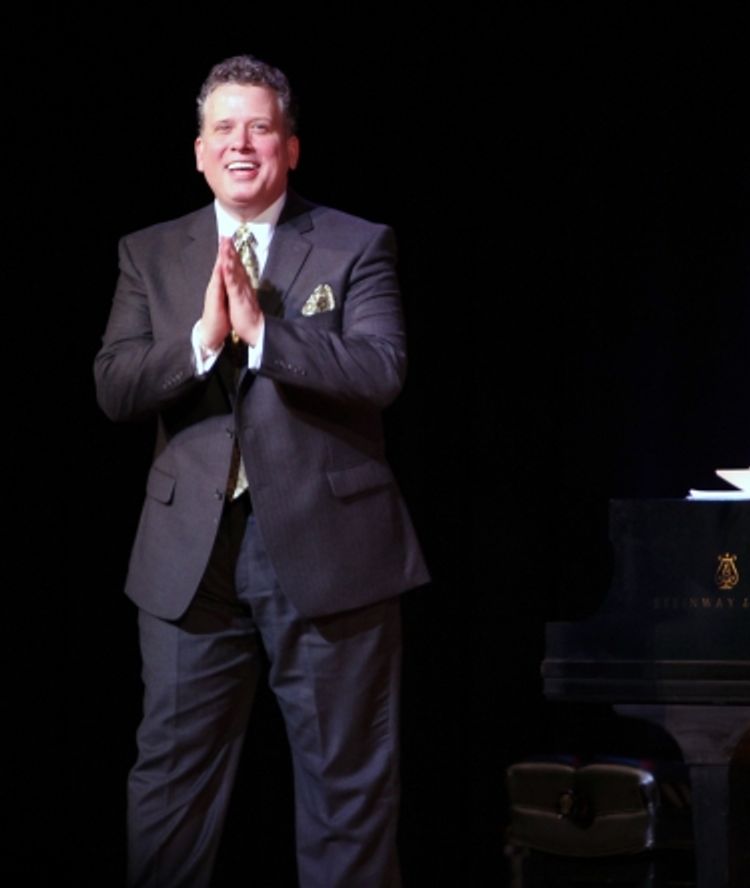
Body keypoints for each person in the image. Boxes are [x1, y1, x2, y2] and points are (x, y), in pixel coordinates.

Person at [94, 55, 428, 887]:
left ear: (291, 146)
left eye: (261, 127)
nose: (242, 144)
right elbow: (115, 386)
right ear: (199, 152)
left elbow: (382, 369)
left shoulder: (357, 243)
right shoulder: (149, 253)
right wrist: (205, 340)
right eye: (224, 129)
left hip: (327, 553)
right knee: (169, 790)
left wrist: (268, 336)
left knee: (347, 793)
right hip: (188, 561)